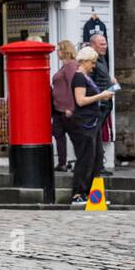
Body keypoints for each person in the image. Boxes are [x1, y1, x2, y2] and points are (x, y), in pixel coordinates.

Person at [69, 46, 114, 205]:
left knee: (96, 158)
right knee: (85, 158)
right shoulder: (79, 77)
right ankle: (78, 194)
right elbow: (80, 100)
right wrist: (101, 95)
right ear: (85, 61)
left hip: (92, 122)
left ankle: (92, 194)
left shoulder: (87, 77)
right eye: (92, 62)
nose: (94, 66)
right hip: (84, 123)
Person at [89, 32, 116, 175]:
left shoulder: (102, 59)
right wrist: (100, 96)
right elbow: (90, 84)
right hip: (98, 105)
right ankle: (97, 168)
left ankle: (99, 167)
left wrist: (110, 83)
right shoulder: (91, 61)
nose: (105, 46)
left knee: (98, 135)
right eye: (101, 44)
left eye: (105, 43)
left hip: (106, 104)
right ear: (93, 45)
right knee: (95, 136)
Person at [51, 40, 78, 172]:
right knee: (58, 135)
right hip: (57, 109)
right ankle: (62, 163)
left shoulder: (71, 66)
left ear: (65, 50)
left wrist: (71, 108)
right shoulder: (64, 66)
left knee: (74, 136)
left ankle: (80, 162)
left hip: (66, 109)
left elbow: (73, 87)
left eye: (59, 49)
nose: (57, 52)